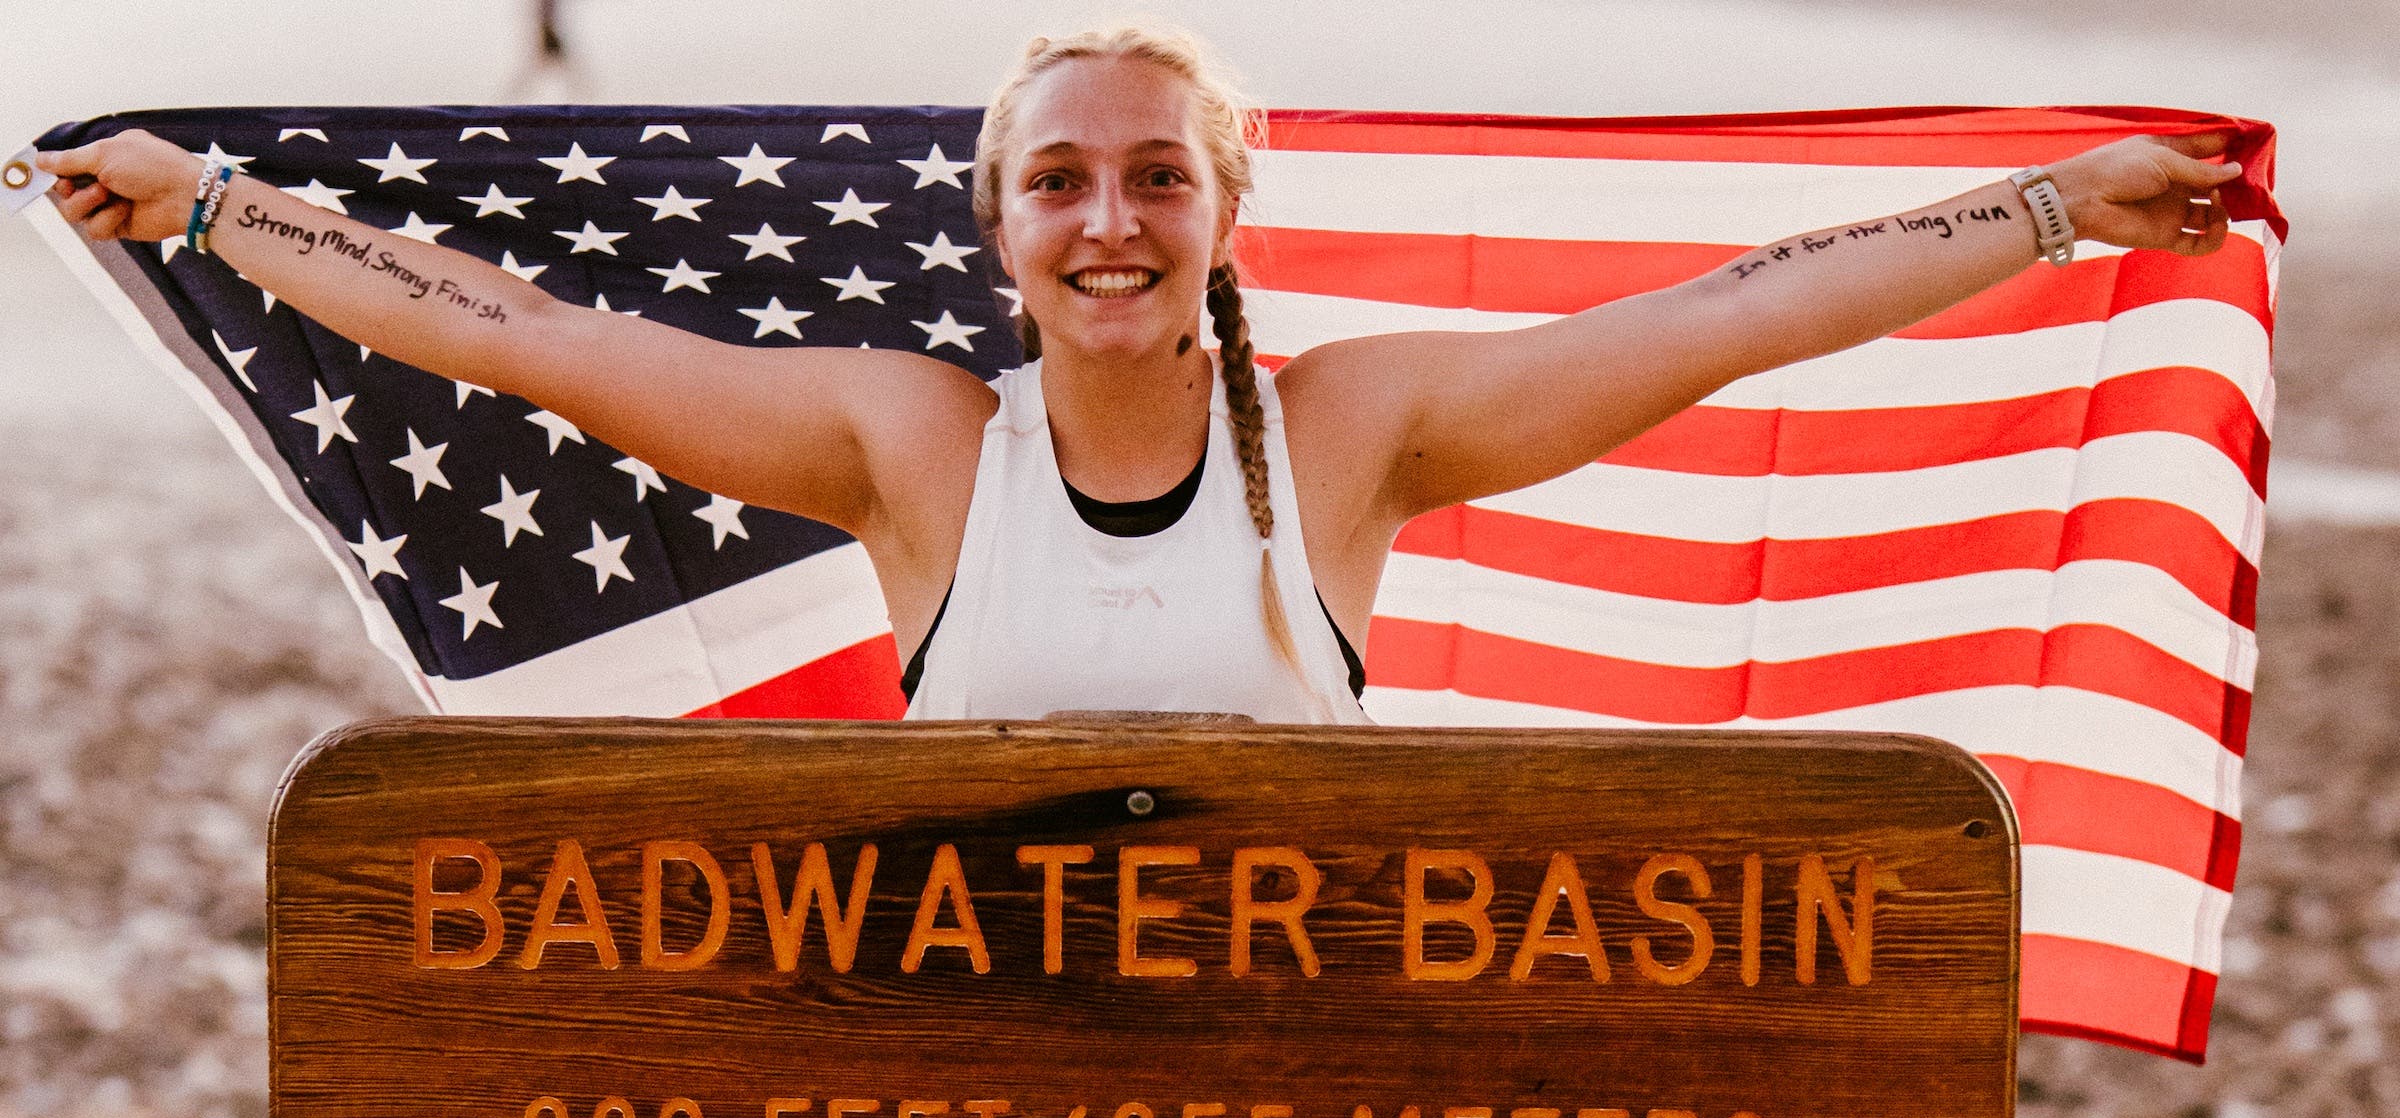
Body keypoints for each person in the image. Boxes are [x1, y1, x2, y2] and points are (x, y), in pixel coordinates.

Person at [36, 26, 2242, 724]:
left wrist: (2062, 201)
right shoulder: (908, 443)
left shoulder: (1354, 434)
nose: (1110, 221)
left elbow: (1730, 315)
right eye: (1063, 182)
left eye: (1156, 179)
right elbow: (526, 338)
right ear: (997, 220)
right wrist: (212, 207)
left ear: (1224, 204)